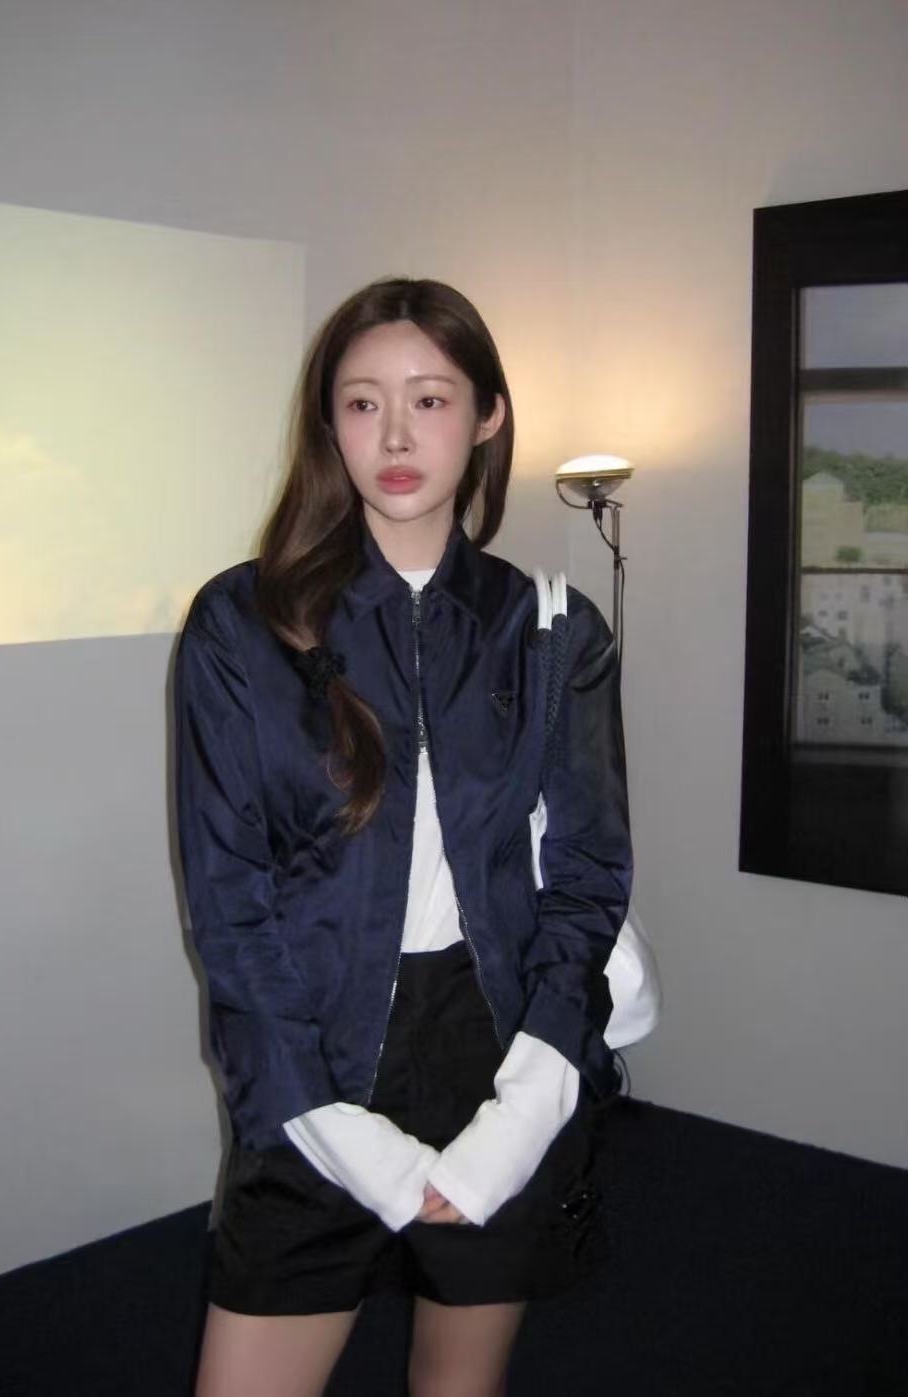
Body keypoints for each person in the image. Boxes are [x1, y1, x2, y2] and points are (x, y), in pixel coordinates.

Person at [173, 278, 632, 1397]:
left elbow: (586, 880)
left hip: (496, 1045)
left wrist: (523, 1116)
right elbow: (230, 905)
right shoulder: (241, 624)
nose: (393, 436)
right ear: (327, 422)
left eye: (429, 399)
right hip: (312, 1049)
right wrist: (337, 1128)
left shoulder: (550, 629)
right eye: (361, 402)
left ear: (487, 415)